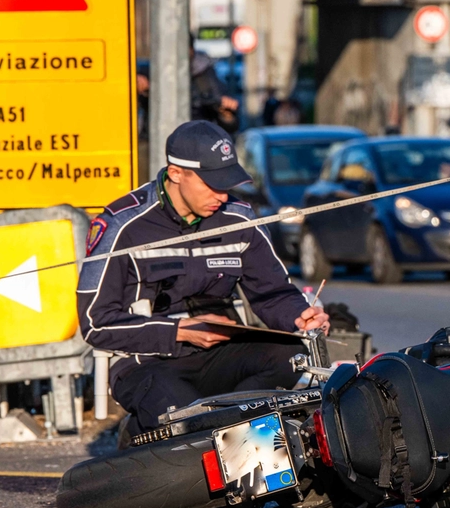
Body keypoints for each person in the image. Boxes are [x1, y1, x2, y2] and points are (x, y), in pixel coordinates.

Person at [77, 120, 329, 436]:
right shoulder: (123, 226)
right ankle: (147, 435)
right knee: (191, 423)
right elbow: (95, 323)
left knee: (290, 358)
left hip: (221, 353)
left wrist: (300, 316)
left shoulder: (239, 217)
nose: (221, 196)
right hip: (149, 361)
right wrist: (179, 331)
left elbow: (274, 292)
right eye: (212, 185)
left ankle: (243, 434)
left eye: (227, 185)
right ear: (176, 174)